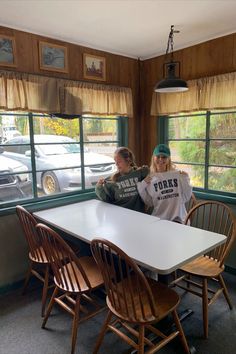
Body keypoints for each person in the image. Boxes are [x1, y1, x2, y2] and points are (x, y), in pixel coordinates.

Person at [137, 144, 192, 223]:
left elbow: (186, 196)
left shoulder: (178, 176)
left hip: (179, 220)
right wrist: (142, 185)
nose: (160, 159)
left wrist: (185, 179)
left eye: (164, 157)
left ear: (168, 159)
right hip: (159, 220)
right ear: (153, 158)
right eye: (158, 156)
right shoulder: (150, 178)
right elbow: (149, 202)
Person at [95, 147, 149, 212]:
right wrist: (99, 187)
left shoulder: (140, 173)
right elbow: (107, 199)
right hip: (119, 215)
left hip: (139, 215)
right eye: (115, 161)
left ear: (128, 161)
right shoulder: (112, 180)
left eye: (119, 161)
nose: (116, 164)